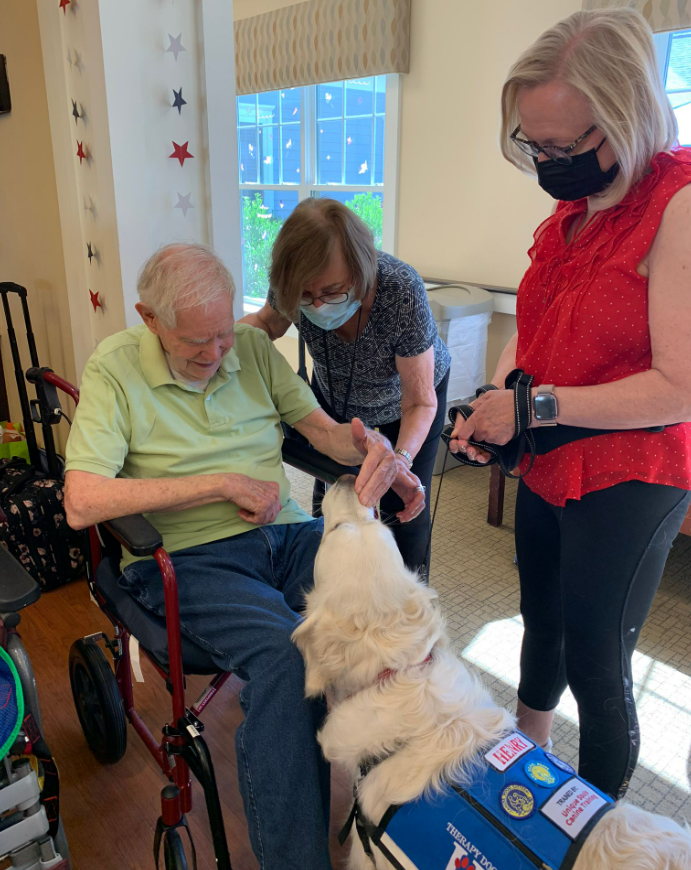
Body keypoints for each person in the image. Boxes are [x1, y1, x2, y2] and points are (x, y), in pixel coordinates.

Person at [63, 243, 425, 870]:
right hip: (186, 557)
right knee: (289, 654)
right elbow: (82, 500)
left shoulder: (253, 348)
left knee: (394, 605)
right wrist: (219, 484)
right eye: (195, 342)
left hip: (284, 536)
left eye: (223, 334)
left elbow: (321, 432)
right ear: (150, 320)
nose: (215, 353)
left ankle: (400, 823)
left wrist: (367, 445)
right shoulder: (115, 367)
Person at [450, 8, 691, 799]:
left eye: (562, 147)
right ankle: (527, 764)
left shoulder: (677, 207)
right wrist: (497, 398)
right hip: (551, 460)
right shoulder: (568, 211)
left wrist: (531, 411)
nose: (546, 163)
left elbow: (678, 386)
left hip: (631, 469)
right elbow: (536, 329)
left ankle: (597, 828)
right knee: (541, 621)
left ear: (625, 116)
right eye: (534, 146)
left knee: (595, 654)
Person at [241, 198, 451, 579]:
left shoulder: (400, 289)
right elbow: (266, 325)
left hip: (408, 403)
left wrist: (398, 462)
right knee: (335, 498)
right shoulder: (292, 281)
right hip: (336, 398)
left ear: (360, 270)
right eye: (306, 297)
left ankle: (407, 596)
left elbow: (420, 403)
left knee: (404, 504)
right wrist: (216, 343)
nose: (319, 305)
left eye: (333, 291)